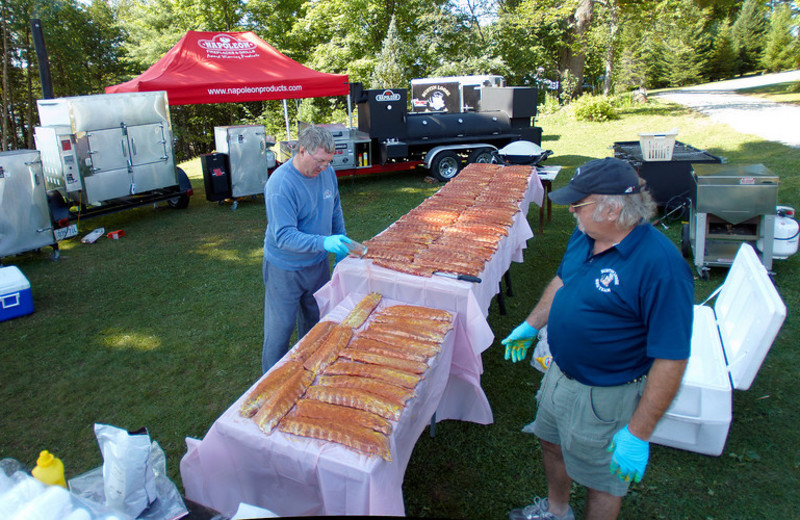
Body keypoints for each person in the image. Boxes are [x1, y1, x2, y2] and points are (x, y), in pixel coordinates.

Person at [503, 157, 694, 520]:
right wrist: (531, 325)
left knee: (602, 481)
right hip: (560, 374)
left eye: (578, 204)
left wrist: (638, 432)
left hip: (606, 396)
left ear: (613, 209)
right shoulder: (587, 234)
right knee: (551, 442)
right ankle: (557, 512)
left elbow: (672, 357)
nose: (571, 211)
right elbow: (563, 281)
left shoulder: (661, 267)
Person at [261, 125, 353, 373]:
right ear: (302, 151)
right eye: (320, 161)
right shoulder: (280, 185)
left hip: (317, 266)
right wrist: (323, 242)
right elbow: (284, 236)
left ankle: (309, 375)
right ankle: (267, 387)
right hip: (285, 268)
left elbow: (334, 208)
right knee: (280, 331)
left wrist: (339, 239)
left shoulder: (327, 173)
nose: (323, 168)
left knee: (316, 324)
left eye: (328, 162)